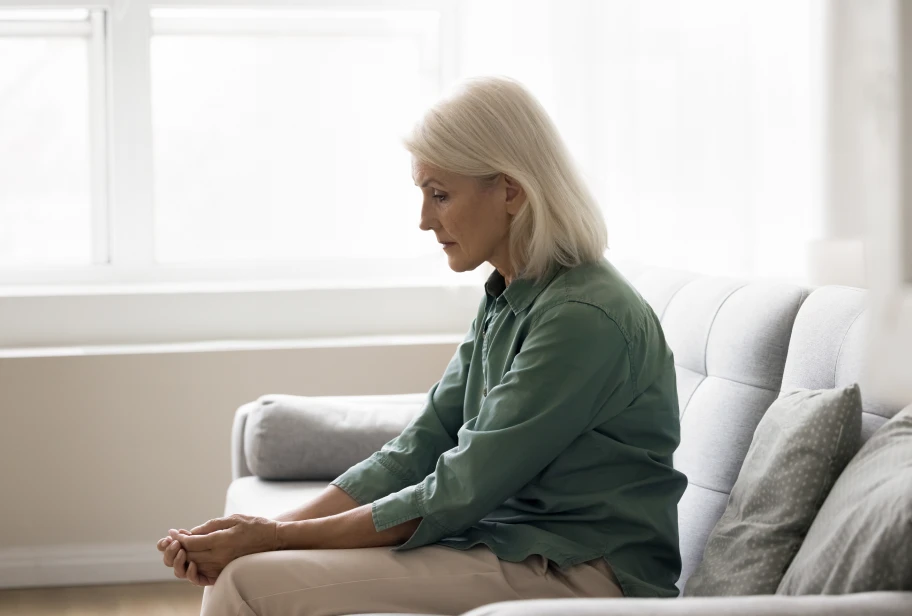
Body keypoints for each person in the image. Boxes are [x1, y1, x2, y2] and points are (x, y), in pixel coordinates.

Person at [157, 75, 688, 615]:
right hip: (514, 542)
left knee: (246, 581)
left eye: (440, 195)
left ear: (510, 191)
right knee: (246, 567)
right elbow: (421, 444)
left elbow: (459, 489)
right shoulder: (511, 293)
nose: (424, 220)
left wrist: (272, 540)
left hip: (587, 572)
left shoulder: (581, 318)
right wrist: (266, 530)